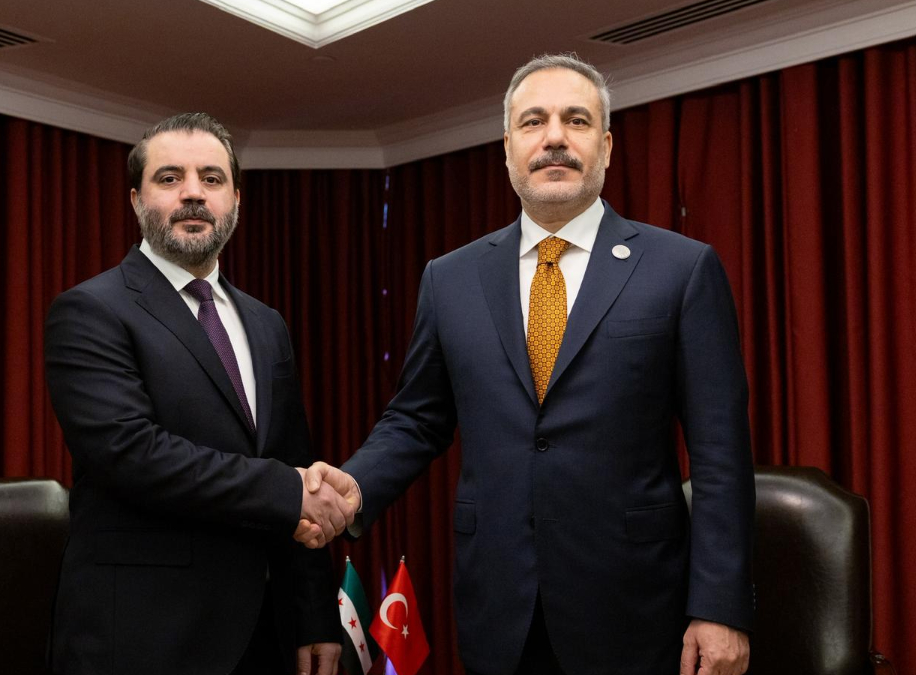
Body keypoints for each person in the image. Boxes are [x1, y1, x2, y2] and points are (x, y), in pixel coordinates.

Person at [302, 54, 755, 675]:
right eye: (534, 122)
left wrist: (720, 607)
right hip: (499, 605)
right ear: (508, 148)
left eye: (577, 120)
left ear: (606, 147)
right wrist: (356, 488)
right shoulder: (450, 278)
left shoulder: (681, 269)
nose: (554, 138)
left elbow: (720, 453)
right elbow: (417, 419)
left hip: (637, 608)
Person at [45, 112, 354, 675]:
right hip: (144, 636)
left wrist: (313, 613)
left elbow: (293, 459)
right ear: (136, 200)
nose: (192, 193)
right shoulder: (90, 310)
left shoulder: (266, 324)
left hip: (265, 632)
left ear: (235, 199)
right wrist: (287, 489)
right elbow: (131, 454)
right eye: (169, 178)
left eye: (211, 178)